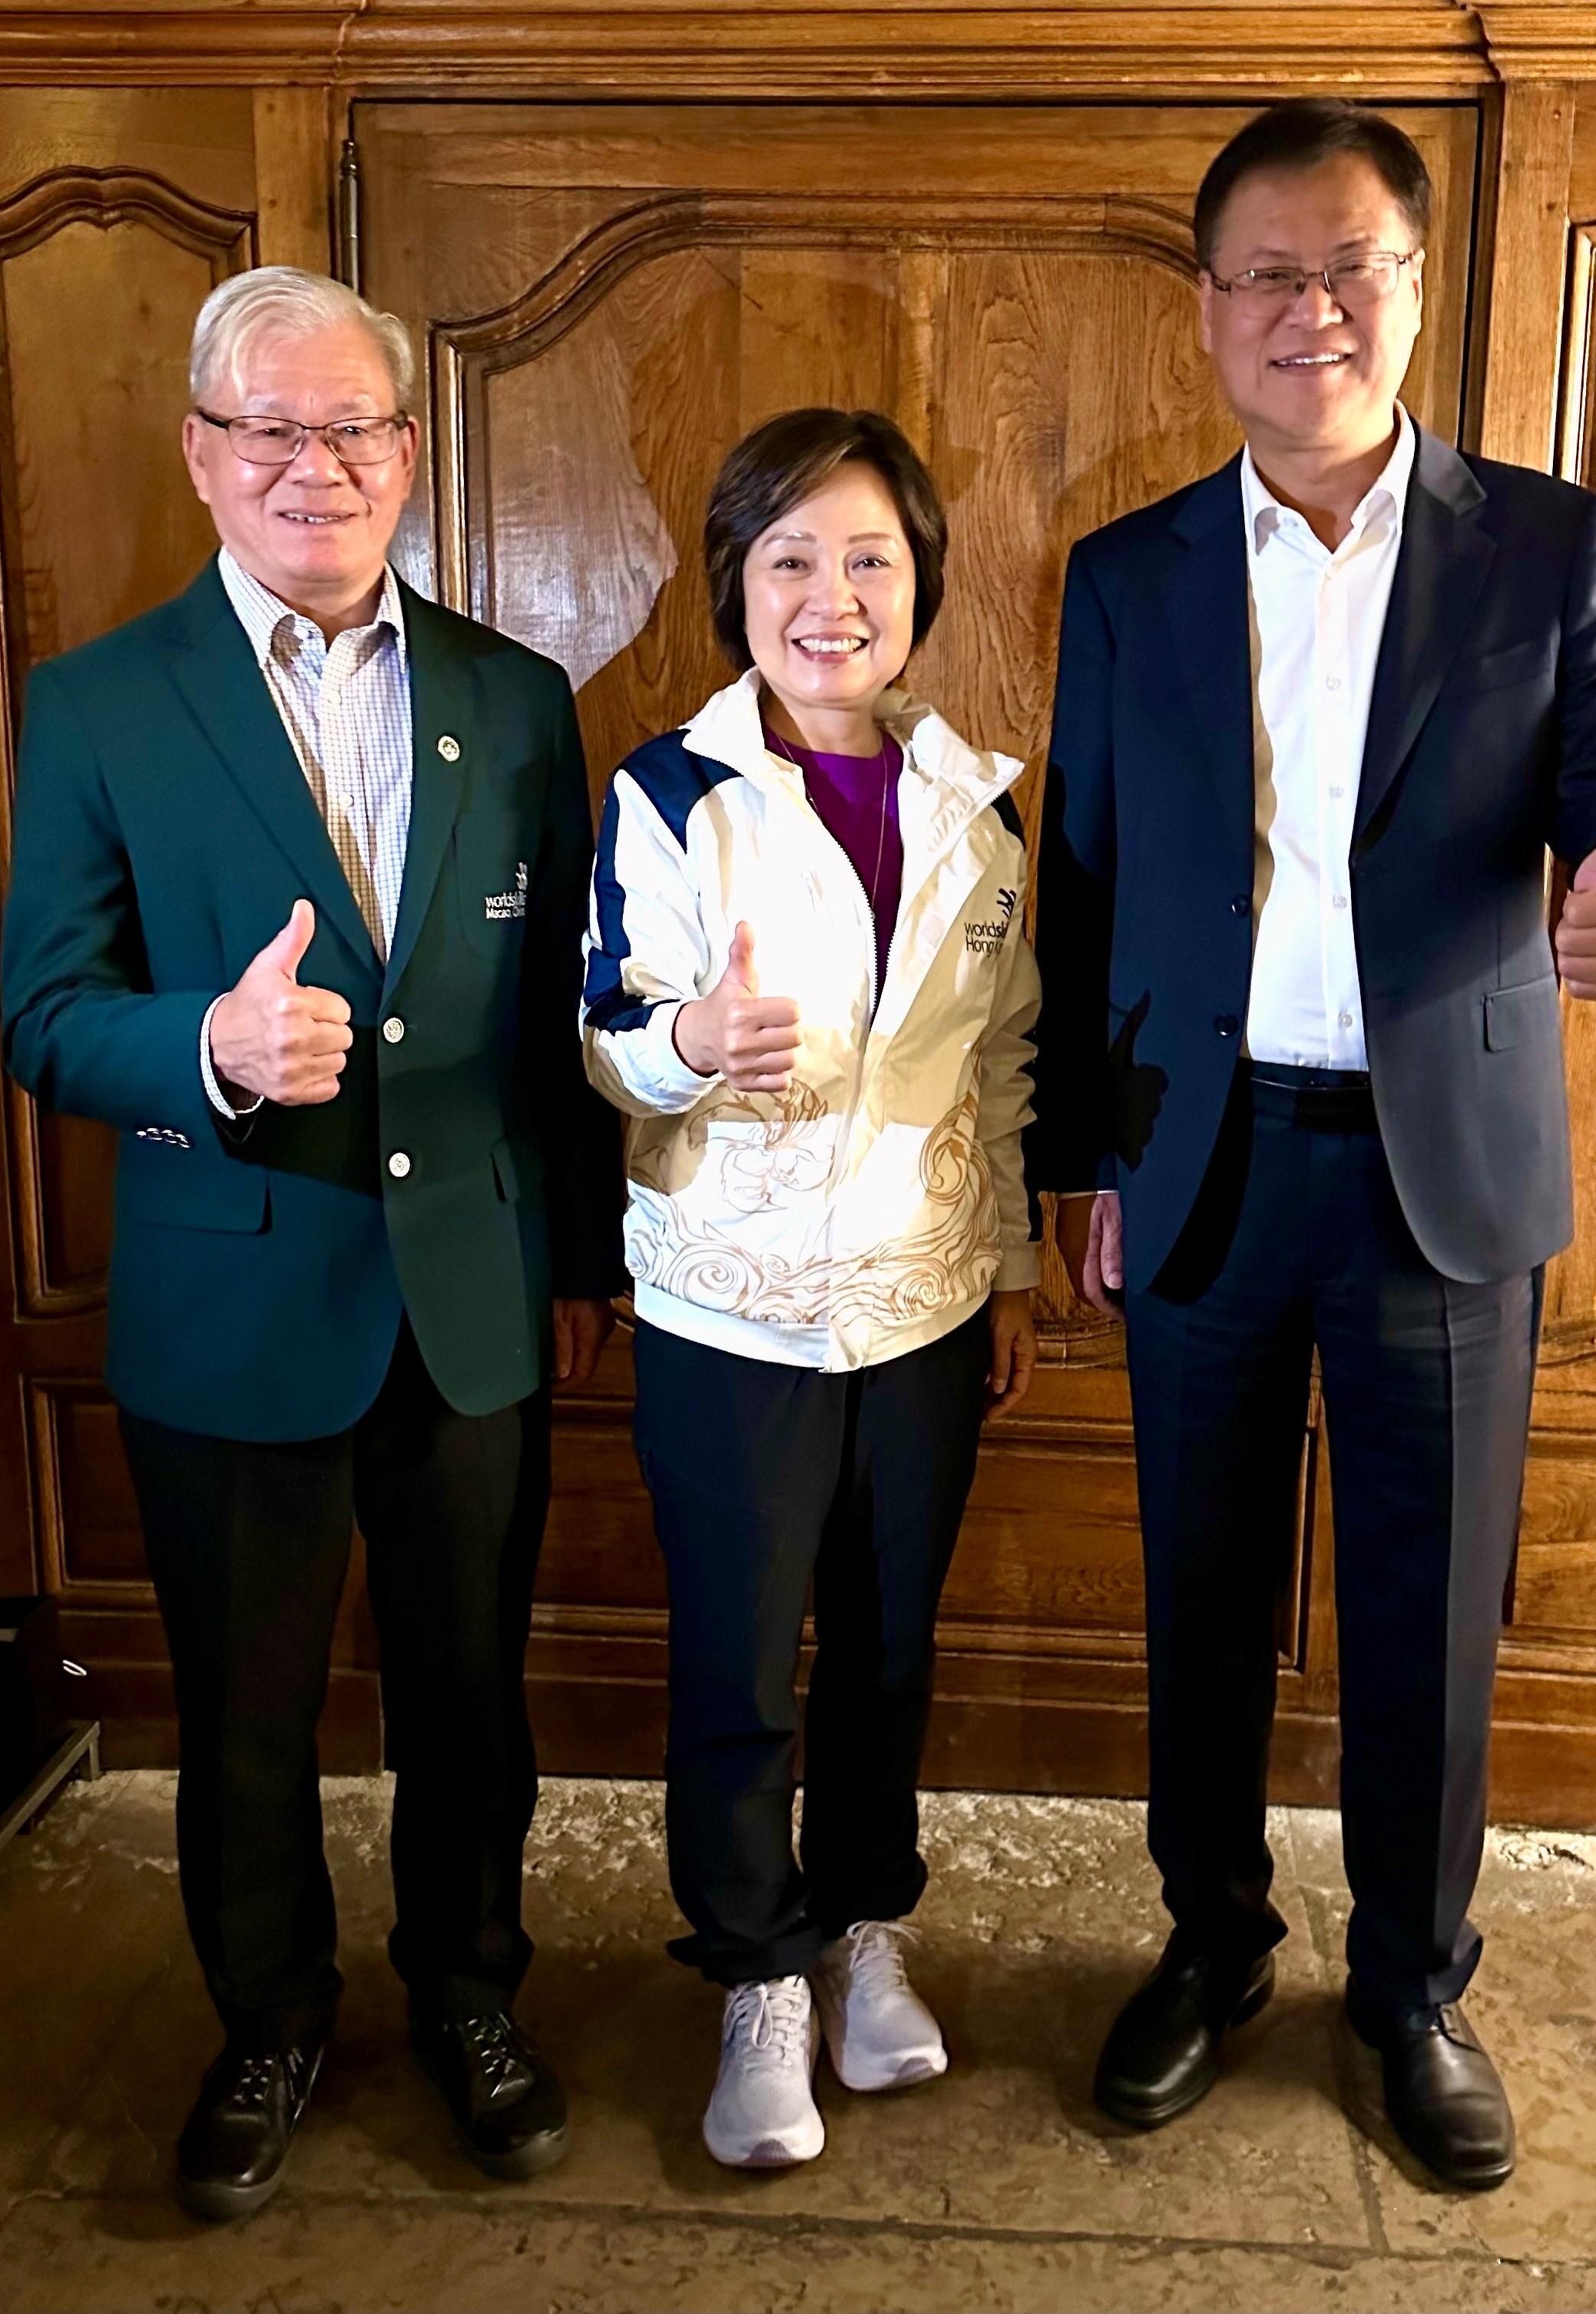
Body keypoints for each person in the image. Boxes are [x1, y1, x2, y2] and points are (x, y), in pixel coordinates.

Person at [1032, 101, 1596, 2190]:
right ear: (1208, 310)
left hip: (1443, 1173)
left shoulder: (1543, 544)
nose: (1307, 308)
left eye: (1349, 269)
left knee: (1422, 1615)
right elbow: (1082, 884)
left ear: (1412, 291)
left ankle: (1409, 1984)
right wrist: (1078, 1155)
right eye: (1265, 273)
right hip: (1202, 1164)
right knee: (1198, 1586)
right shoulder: (1127, 571)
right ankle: (1211, 1941)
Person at [0, 266, 626, 2220]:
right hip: (231, 1305)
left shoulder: (520, 703)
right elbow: (42, 1014)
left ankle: (468, 1997)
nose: (314, 464)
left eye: (353, 426)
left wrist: (586, 1265)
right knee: (249, 1723)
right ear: (201, 456)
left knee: (470, 1708)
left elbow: (555, 1020)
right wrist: (200, 1042)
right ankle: (265, 2021)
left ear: (410, 458)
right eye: (268, 428)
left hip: (469, 1311)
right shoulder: (98, 702)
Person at [581, 406, 1041, 2170]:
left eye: (867, 558)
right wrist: (687, 1042)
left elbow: (1001, 1062)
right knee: (736, 1668)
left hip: (920, 1310)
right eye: (788, 557)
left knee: (887, 1653)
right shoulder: (668, 792)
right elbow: (606, 1035)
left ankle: (864, 1933)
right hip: (730, 1310)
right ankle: (752, 1973)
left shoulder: (980, 806)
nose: (829, 595)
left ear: (917, 586)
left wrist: (1000, 1265)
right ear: (734, 588)